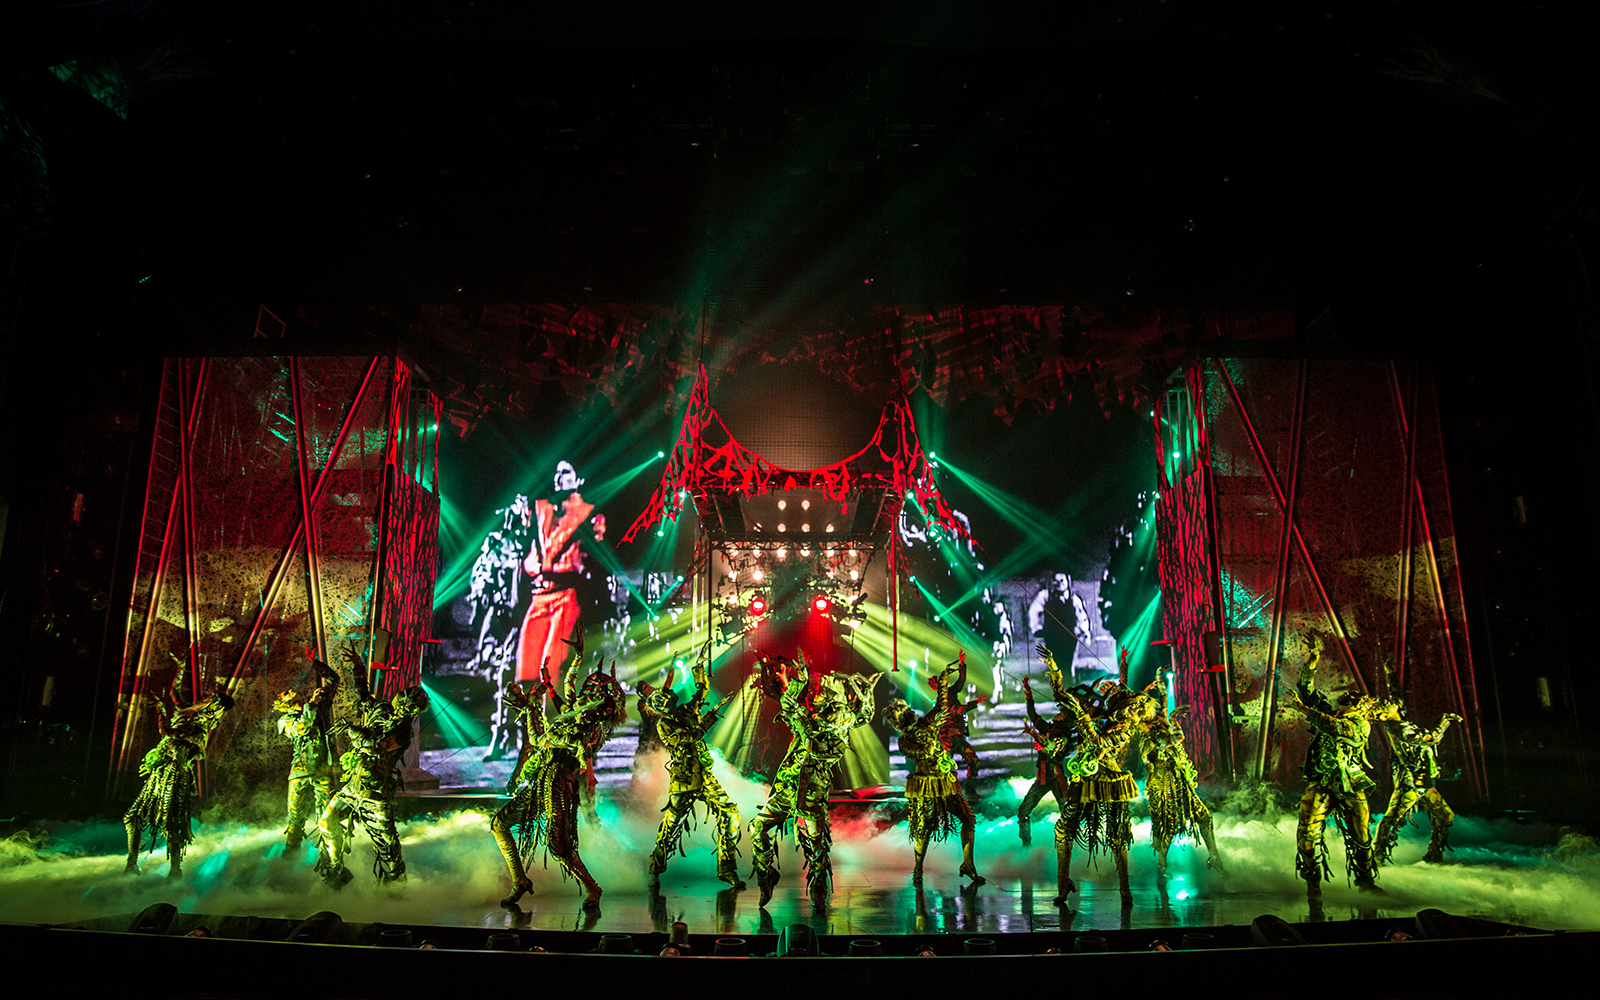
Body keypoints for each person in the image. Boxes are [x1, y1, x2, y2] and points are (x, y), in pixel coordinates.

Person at [491, 646, 626, 909]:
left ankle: (593, 888)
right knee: (499, 824)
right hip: (541, 779)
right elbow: (541, 738)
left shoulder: (592, 725)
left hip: (559, 784)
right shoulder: (572, 715)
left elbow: (578, 747)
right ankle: (519, 881)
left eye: (595, 694)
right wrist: (531, 707)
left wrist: (588, 772)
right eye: (589, 691)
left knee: (558, 846)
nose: (588, 696)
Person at [748, 653, 881, 907]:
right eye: (818, 692)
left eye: (823, 694)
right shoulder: (809, 717)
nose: (817, 695)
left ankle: (820, 889)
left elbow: (813, 741)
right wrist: (788, 679)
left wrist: (800, 710)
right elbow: (790, 707)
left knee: (817, 842)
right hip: (787, 789)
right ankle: (766, 876)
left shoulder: (836, 731)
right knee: (758, 829)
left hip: (811, 793)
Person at [1028, 644, 1142, 908]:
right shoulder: (1091, 712)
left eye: (1113, 692)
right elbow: (1062, 696)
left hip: (1110, 781)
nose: (1108, 693)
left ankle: (1125, 889)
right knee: (1064, 829)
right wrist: (1054, 669)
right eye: (1107, 691)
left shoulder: (1124, 724)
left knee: (1117, 835)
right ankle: (1063, 886)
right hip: (1084, 781)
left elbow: (1101, 743)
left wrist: (1084, 717)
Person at [317, 647, 430, 886]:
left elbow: (377, 745)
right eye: (406, 698)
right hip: (354, 784)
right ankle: (337, 869)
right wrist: (358, 666)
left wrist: (350, 728)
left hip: (376, 793)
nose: (404, 703)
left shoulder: (403, 731)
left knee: (386, 843)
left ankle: (395, 885)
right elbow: (363, 694)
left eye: (411, 704)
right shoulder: (382, 711)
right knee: (327, 820)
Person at [1293, 637, 1399, 892]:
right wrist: (1313, 662)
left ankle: (1365, 880)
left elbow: (1336, 728)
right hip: (1322, 781)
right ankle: (1312, 880)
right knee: (1307, 831)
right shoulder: (1329, 710)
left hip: (1350, 783)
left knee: (1361, 836)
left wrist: (1306, 712)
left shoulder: (1360, 724)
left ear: (1361, 707)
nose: (1350, 694)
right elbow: (1306, 692)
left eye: (1356, 697)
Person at [639, 653, 744, 889]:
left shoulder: (685, 711)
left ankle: (727, 869)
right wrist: (708, 719)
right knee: (671, 824)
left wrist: (698, 668)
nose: (668, 697)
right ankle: (654, 868)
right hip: (684, 779)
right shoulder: (663, 724)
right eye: (663, 698)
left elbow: (701, 692)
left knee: (729, 814)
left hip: (703, 775)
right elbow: (687, 738)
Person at [884, 654, 985, 886]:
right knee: (925, 828)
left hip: (945, 780)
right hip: (926, 784)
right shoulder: (904, 741)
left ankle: (968, 864)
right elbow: (920, 754)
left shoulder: (925, 723)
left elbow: (941, 707)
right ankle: (917, 870)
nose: (907, 713)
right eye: (902, 714)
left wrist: (942, 683)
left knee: (968, 818)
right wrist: (929, 745)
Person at [123, 675, 234, 877]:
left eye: (210, 697)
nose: (204, 695)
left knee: (171, 823)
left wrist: (160, 712)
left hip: (175, 774)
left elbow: (165, 731)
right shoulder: (187, 712)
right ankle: (131, 864)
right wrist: (181, 667)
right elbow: (174, 693)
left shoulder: (198, 729)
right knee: (133, 817)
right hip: (160, 770)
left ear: (214, 706)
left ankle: (175, 870)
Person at [516, 461, 606, 689]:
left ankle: (552, 718)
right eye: (556, 473)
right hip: (539, 595)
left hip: (565, 596)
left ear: (579, 480)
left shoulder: (590, 514)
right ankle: (527, 719)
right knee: (526, 664)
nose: (558, 478)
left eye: (565, 473)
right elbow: (528, 553)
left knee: (551, 665)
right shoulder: (542, 511)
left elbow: (596, 558)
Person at [1136, 678, 1226, 880]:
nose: (1158, 718)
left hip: (1180, 781)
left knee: (1204, 816)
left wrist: (1162, 689)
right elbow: (1175, 739)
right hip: (1162, 784)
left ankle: (1214, 857)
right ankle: (1161, 865)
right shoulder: (1147, 738)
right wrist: (1173, 719)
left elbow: (1166, 714)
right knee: (1168, 825)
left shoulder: (1160, 727)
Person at [1375, 660, 1462, 866]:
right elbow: (1431, 737)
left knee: (1445, 815)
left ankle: (1434, 852)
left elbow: (1397, 699)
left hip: (1423, 781)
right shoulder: (1399, 728)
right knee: (1393, 818)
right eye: (1385, 706)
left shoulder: (1399, 717)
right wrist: (1444, 721)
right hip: (1410, 781)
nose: (1388, 703)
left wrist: (1390, 674)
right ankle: (1377, 856)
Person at [273, 649, 340, 866]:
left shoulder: (319, 705)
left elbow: (334, 680)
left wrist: (317, 664)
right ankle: (291, 856)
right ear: (284, 705)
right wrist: (310, 704)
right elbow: (302, 728)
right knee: (296, 817)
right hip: (300, 772)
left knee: (327, 816)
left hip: (322, 769)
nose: (289, 691)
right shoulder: (285, 721)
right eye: (284, 694)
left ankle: (328, 860)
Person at [1015, 672, 1075, 846]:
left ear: (1065, 720)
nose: (1058, 714)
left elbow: (1050, 748)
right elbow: (1032, 715)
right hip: (1042, 778)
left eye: (1062, 714)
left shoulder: (1063, 737)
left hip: (1056, 778)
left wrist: (1033, 733)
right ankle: (1026, 844)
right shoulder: (1048, 728)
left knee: (1066, 811)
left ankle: (1070, 845)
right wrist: (1028, 692)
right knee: (1023, 811)